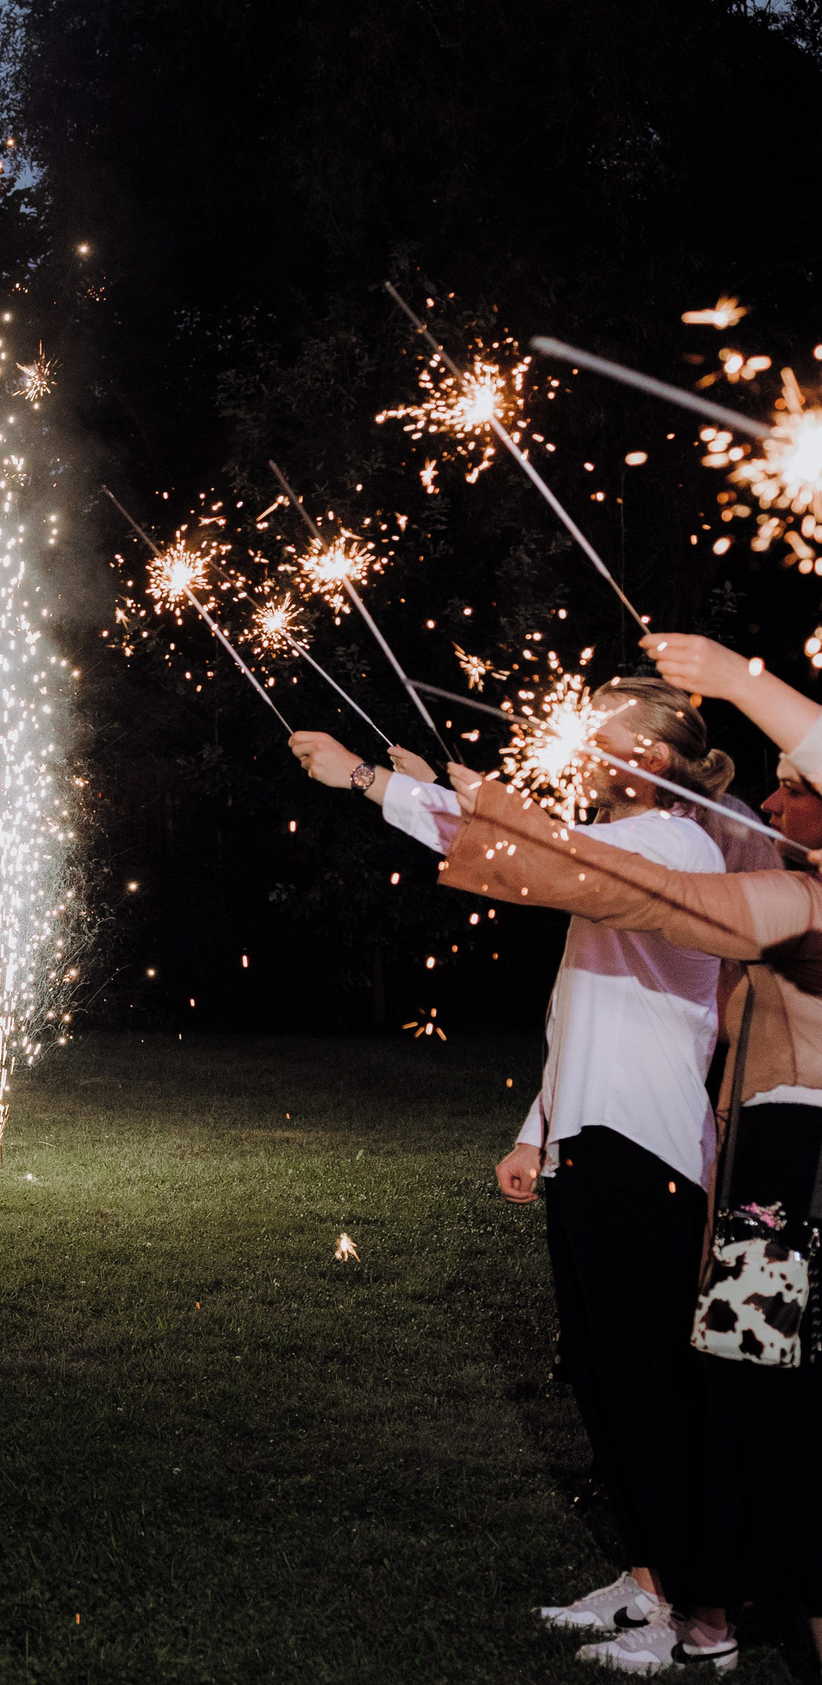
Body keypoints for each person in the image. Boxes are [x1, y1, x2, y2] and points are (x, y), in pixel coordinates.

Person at [291, 683, 738, 1669]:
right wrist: (535, 1132)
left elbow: (534, 857)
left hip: (648, 1153)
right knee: (599, 1376)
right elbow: (572, 1014)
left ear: (654, 761)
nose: (578, 748)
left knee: (647, 1383)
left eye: (602, 735)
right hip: (589, 1141)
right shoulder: (606, 848)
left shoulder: (675, 847)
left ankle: (692, 1612)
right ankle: (647, 1576)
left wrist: (367, 781)